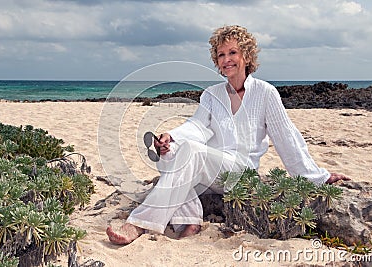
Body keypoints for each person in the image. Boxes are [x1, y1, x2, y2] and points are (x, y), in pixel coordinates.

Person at [106, 25, 350, 245]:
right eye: (221, 55)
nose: (226, 60)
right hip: (212, 173)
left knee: (189, 151)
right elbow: (198, 127)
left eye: (232, 52)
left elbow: (286, 138)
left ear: (246, 56)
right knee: (170, 153)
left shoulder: (265, 93)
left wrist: (318, 176)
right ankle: (189, 220)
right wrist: (172, 137)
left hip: (241, 175)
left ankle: (139, 223)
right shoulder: (211, 94)